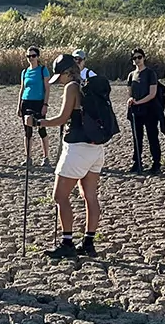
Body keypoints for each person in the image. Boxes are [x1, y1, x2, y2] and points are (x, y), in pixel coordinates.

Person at [26, 54, 104, 257]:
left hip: (77, 148)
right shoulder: (88, 84)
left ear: (68, 72)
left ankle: (67, 243)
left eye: (60, 76)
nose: (59, 80)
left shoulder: (72, 87)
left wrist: (38, 122)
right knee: (90, 196)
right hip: (96, 148)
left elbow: (62, 118)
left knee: (59, 196)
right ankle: (88, 243)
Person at [126, 48, 161, 174]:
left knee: (152, 137)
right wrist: (131, 100)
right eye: (134, 58)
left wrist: (138, 101)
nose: (137, 60)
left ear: (144, 58)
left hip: (149, 110)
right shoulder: (131, 75)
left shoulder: (150, 73)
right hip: (136, 110)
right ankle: (137, 163)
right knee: (137, 138)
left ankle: (156, 163)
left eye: (139, 57)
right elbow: (130, 92)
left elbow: (152, 93)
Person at [19, 46, 53, 166]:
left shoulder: (43, 70)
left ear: (38, 57)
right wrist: (19, 106)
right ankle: (28, 158)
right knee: (27, 132)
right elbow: (22, 88)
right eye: (28, 56)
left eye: (33, 56)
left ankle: (46, 157)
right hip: (26, 101)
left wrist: (45, 104)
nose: (31, 58)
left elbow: (47, 88)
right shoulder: (24, 72)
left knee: (41, 129)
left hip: (38, 102)